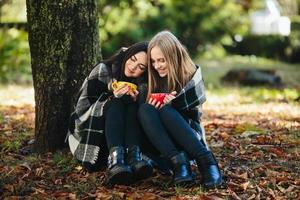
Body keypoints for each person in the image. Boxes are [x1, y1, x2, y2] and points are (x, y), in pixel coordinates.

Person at [138, 31, 223, 188]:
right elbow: (126, 63)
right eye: (154, 61)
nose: (157, 66)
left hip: (189, 137)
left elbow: (194, 113)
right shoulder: (152, 79)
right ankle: (179, 164)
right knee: (145, 109)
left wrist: (173, 103)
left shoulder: (191, 76)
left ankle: (207, 162)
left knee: (166, 110)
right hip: (163, 145)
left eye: (162, 60)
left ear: (173, 56)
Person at [66, 42, 153, 185]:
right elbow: (82, 107)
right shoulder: (104, 70)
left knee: (131, 103)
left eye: (141, 67)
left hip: (124, 137)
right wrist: (110, 92)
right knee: (116, 102)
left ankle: (133, 158)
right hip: (94, 138)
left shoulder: (142, 83)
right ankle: (115, 161)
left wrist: (137, 99)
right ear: (127, 55)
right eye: (132, 60)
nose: (133, 67)